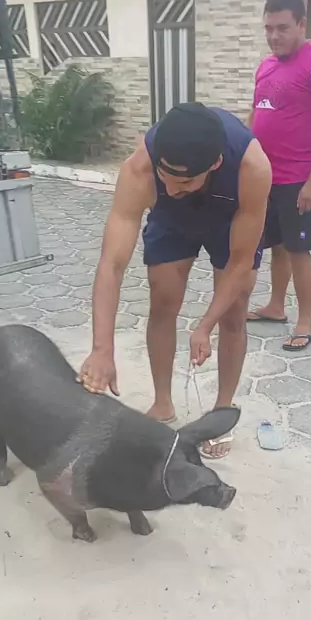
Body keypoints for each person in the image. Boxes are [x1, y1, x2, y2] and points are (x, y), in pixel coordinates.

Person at [79, 102, 272, 459]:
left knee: (233, 314)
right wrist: (102, 348)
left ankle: (221, 413)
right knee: (163, 302)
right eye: (163, 175)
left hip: (230, 219)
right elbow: (112, 263)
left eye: (182, 180)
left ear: (215, 164)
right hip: (172, 220)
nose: (169, 187)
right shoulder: (140, 169)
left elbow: (241, 262)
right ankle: (162, 403)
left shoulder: (252, 168)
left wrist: (205, 325)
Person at [247, 0, 311, 351]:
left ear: (302, 24)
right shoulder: (266, 66)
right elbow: (256, 114)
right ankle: (275, 306)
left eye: (282, 28)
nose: (274, 36)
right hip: (265, 177)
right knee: (277, 245)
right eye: (269, 28)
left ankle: (305, 321)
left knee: (298, 248)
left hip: (297, 179)